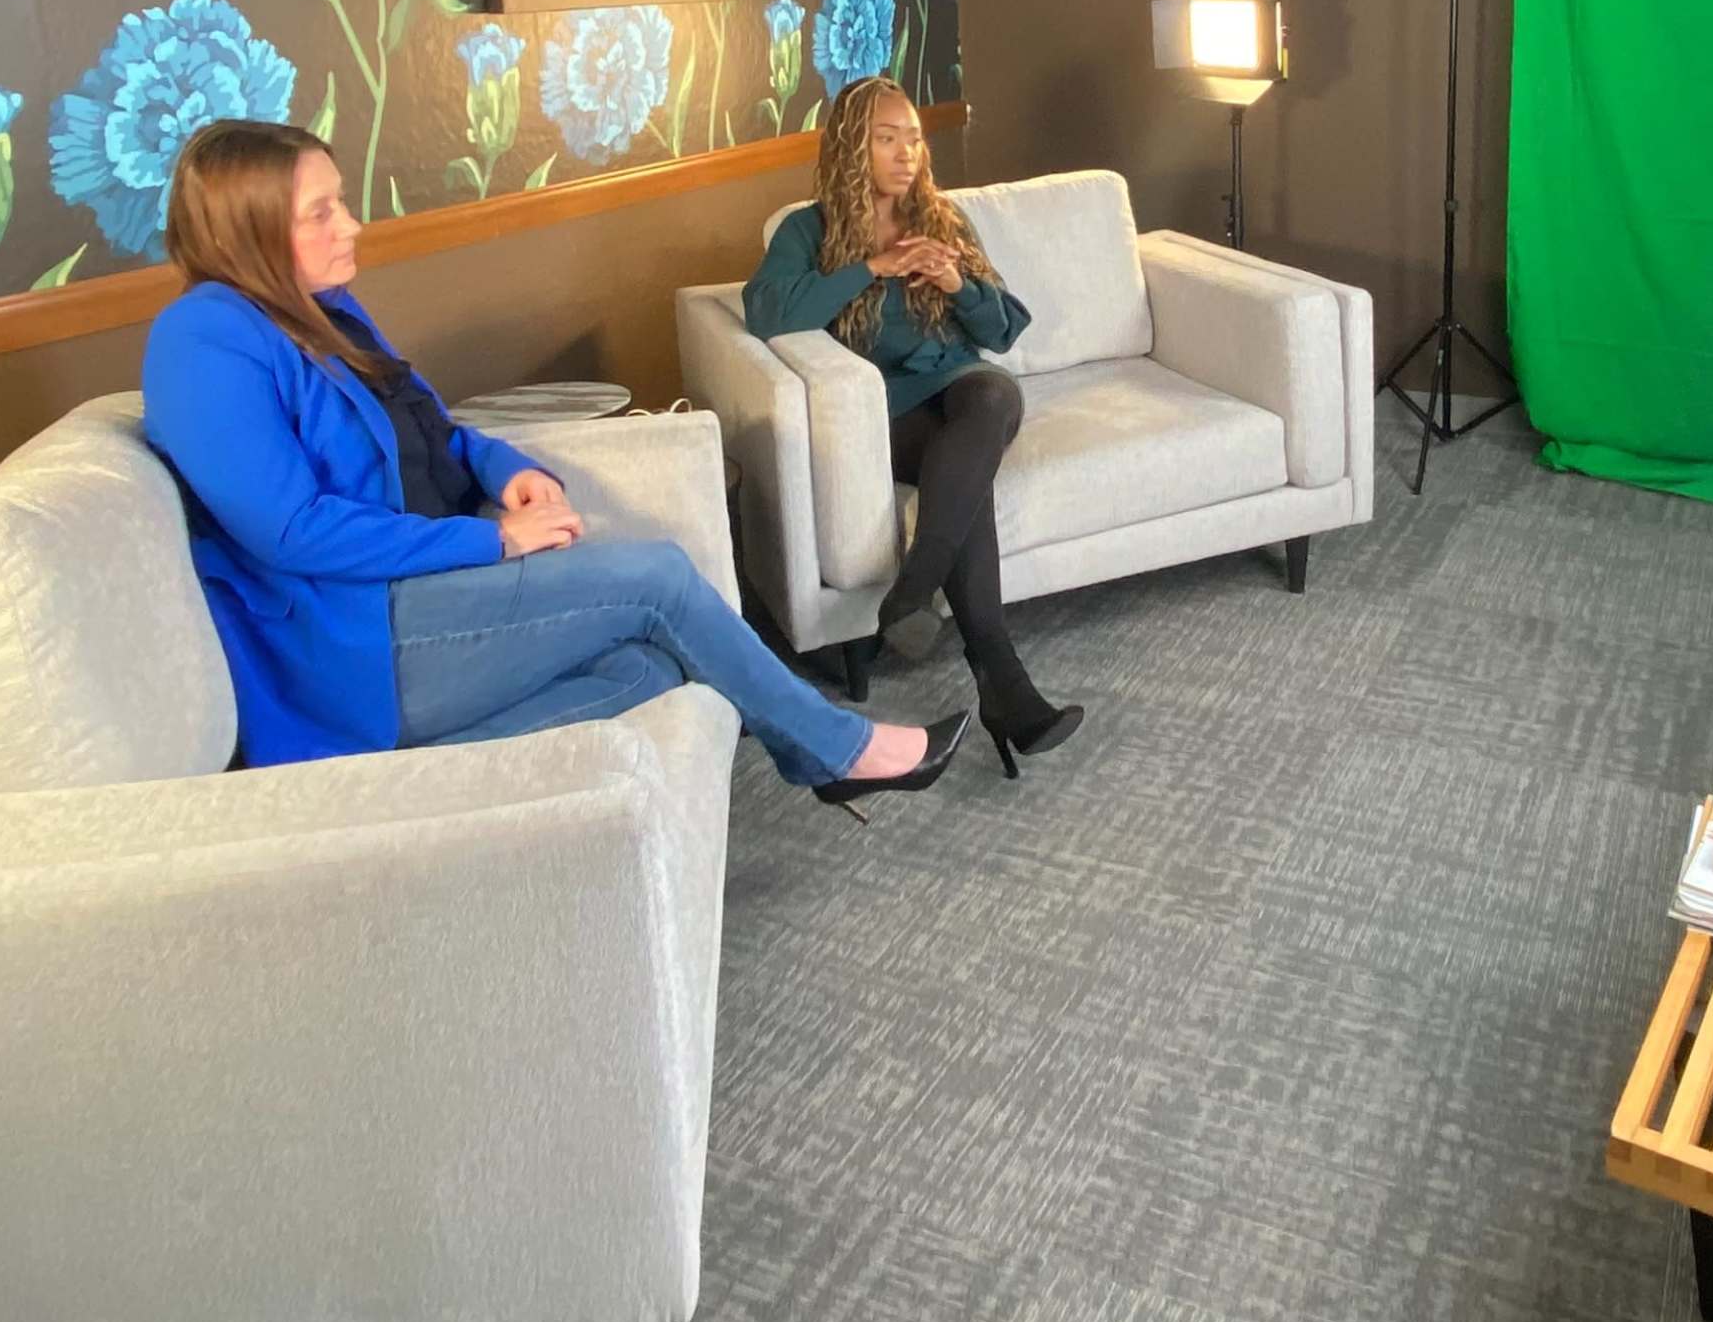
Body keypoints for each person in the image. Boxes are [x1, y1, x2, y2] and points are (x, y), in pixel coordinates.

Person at [141, 118, 964, 806]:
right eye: (320, 213)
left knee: (649, 669)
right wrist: (495, 540)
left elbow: (430, 426)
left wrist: (505, 471)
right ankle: (838, 750)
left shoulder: (323, 309)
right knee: (657, 579)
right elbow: (293, 531)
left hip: (426, 596)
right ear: (246, 229)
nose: (350, 226)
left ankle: (409, 779)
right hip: (356, 640)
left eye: (341, 203)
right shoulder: (202, 340)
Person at [743, 77, 1083, 770]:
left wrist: (956, 284)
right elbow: (768, 313)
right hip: (890, 411)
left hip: (959, 389)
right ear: (852, 147)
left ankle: (914, 590)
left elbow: (1003, 331)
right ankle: (1005, 688)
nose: (907, 154)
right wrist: (875, 265)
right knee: (966, 477)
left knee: (993, 398)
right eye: (887, 138)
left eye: (915, 139)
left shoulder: (941, 218)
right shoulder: (808, 231)